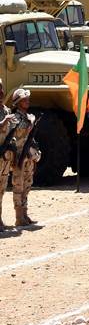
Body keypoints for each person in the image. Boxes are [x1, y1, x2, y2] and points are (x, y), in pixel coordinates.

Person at [9, 89, 40, 226]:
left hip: (27, 156)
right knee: (18, 185)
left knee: (27, 184)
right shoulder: (15, 118)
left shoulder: (29, 116)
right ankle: (19, 216)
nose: (27, 101)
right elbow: (19, 133)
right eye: (24, 99)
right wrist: (31, 122)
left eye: (27, 99)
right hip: (19, 156)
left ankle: (25, 214)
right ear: (18, 102)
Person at [0, 79, 13, 231]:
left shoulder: (7, 110)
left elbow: (11, 132)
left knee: (2, 188)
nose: (1, 93)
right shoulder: (6, 115)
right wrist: (4, 121)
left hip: (5, 156)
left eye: (1, 89)